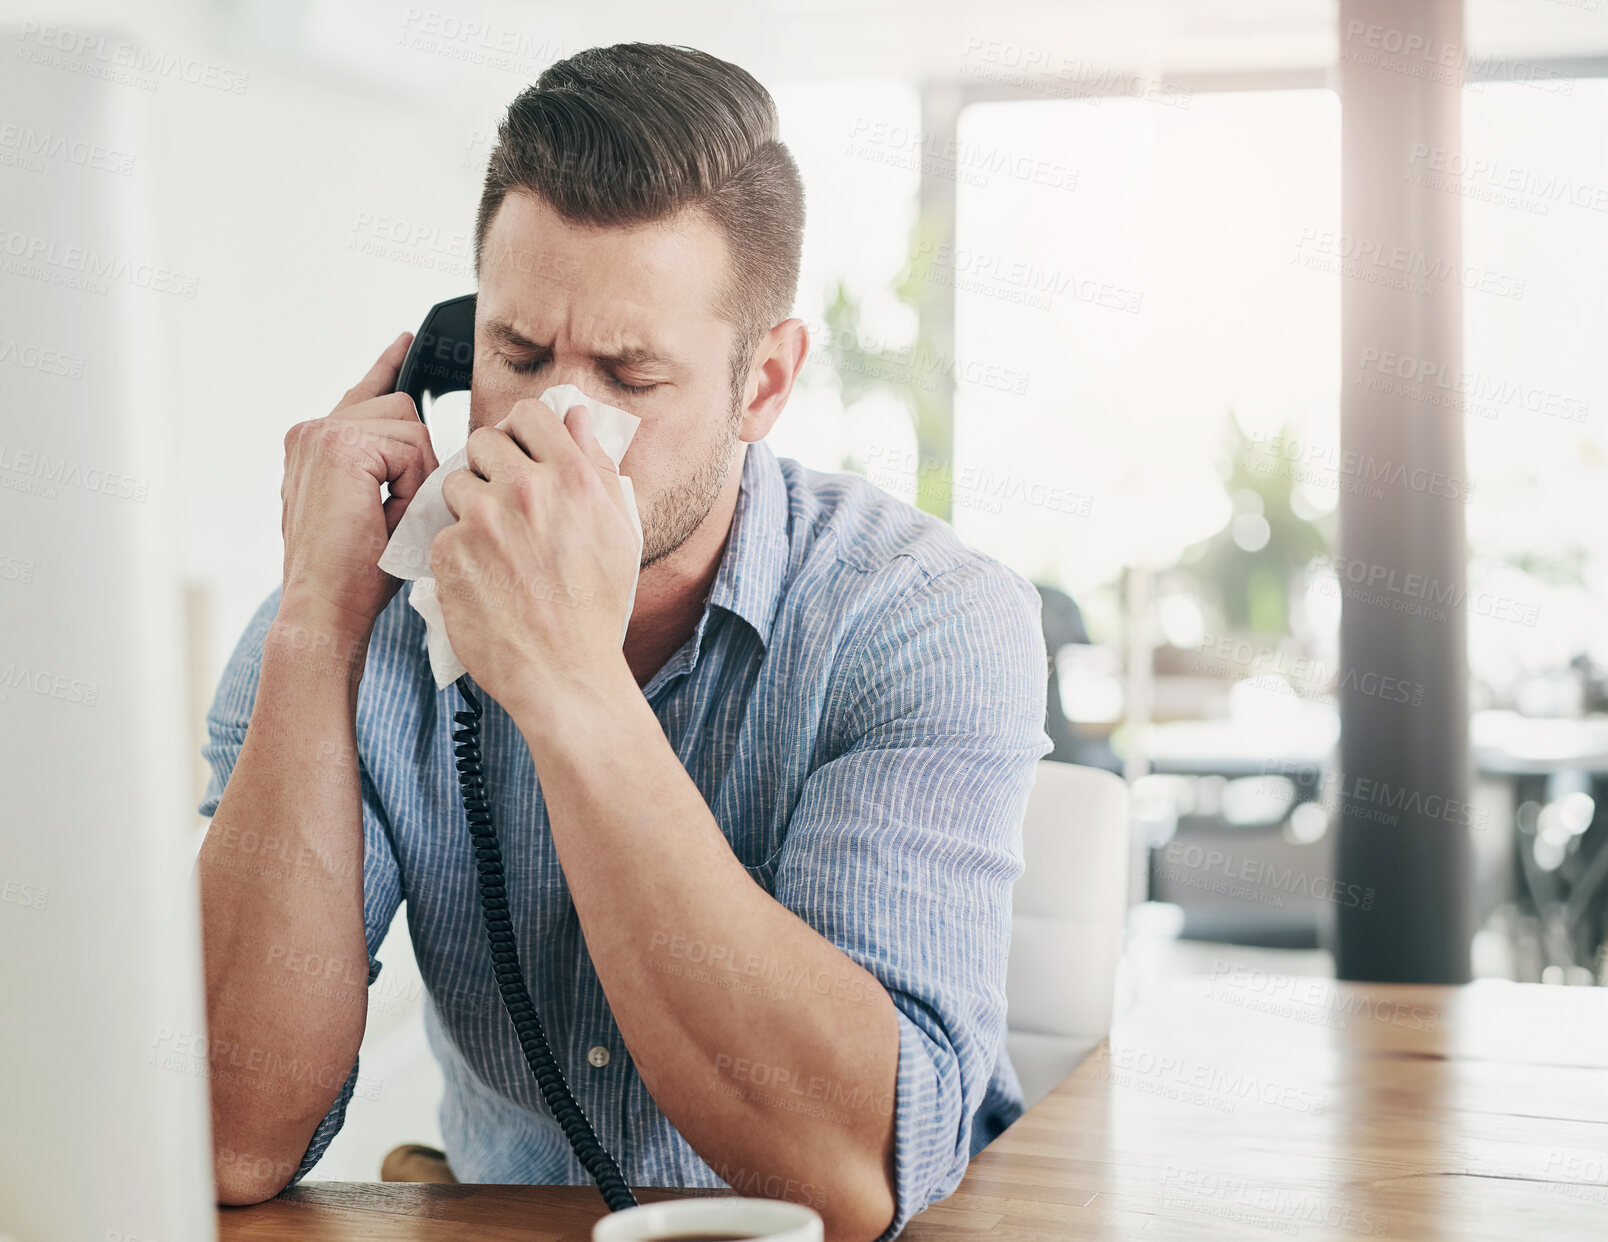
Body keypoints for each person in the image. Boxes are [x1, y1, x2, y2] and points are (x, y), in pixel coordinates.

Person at [196, 44, 1049, 1242]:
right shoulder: (357, 609)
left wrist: (570, 683)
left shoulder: (923, 618)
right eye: (519, 355)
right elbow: (224, 1134)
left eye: (629, 373)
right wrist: (315, 626)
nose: (555, 423)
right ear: (455, 345)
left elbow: (850, 1177)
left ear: (762, 385)